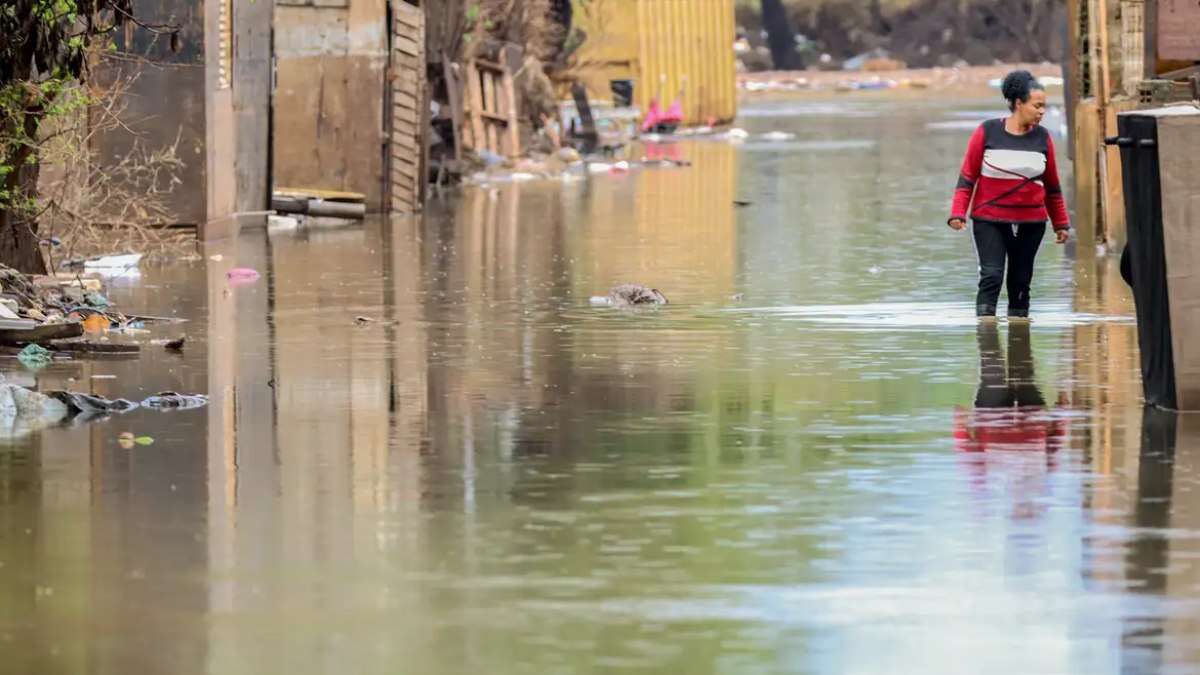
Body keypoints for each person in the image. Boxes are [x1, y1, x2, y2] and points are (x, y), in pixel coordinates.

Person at [948, 70, 1071, 318]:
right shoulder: (987, 132)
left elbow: (1052, 186)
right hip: (989, 219)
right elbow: (967, 178)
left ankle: (1019, 345)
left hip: (1031, 223)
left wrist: (1061, 223)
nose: (1042, 111)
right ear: (1018, 103)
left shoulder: (1043, 137)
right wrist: (957, 213)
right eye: (1037, 105)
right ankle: (988, 343)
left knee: (1020, 282)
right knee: (991, 276)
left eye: (1044, 106)